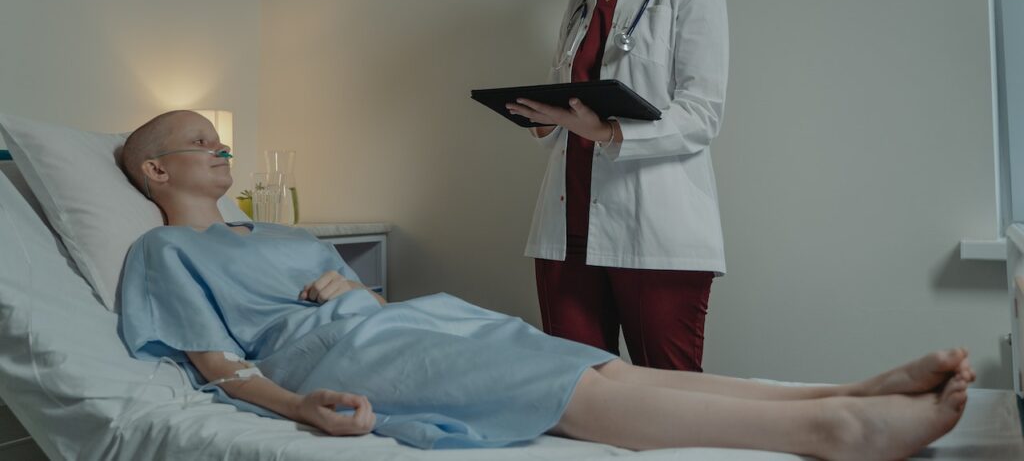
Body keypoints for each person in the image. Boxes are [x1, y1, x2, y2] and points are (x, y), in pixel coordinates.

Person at [116, 109, 975, 457]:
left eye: (221, 139)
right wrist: (301, 407)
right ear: (156, 170)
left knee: (597, 366)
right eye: (203, 141)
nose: (221, 148)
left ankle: (843, 389)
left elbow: (371, 296)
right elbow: (210, 361)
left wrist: (355, 295)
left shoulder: (284, 229)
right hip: (328, 361)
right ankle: (834, 428)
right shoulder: (166, 255)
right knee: (567, 392)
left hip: (405, 324)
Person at [506, 0, 727, 371]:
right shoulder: (580, 1)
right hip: (567, 234)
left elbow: (701, 114)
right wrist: (539, 116)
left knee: (668, 398)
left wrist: (606, 133)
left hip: (654, 231)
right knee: (579, 396)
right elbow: (567, 98)